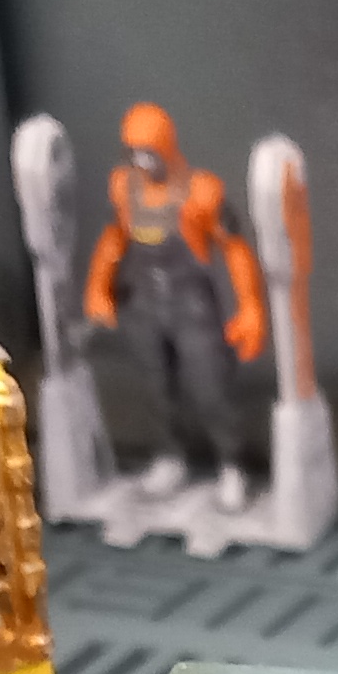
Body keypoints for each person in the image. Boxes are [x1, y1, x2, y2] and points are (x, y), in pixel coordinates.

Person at [85, 103, 267, 510]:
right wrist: (98, 288)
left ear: (166, 147)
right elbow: (113, 239)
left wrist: (251, 308)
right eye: (134, 152)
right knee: (155, 387)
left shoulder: (202, 191)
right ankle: (170, 457)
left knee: (210, 386)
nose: (142, 161)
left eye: (149, 151)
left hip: (191, 306)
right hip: (142, 304)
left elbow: (235, 250)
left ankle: (232, 465)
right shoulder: (124, 187)